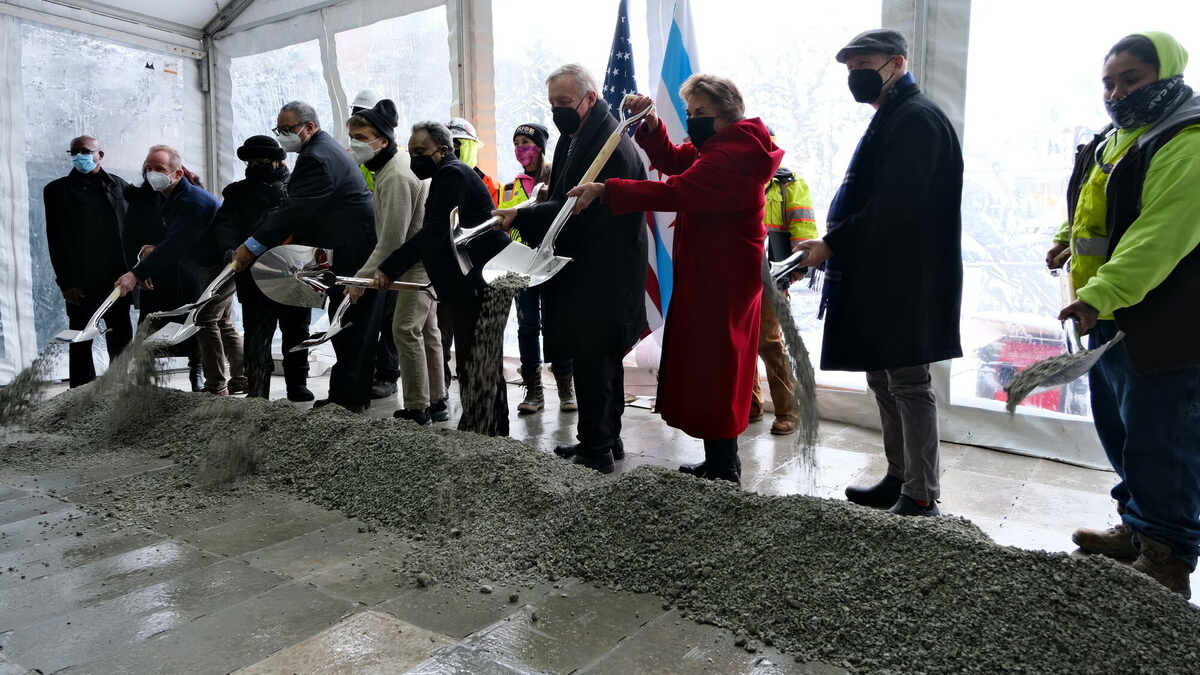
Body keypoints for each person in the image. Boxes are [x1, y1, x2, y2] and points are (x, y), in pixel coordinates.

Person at [567, 74, 779, 483]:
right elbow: (676, 160)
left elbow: (675, 191)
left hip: (724, 283)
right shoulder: (722, 146)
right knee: (710, 367)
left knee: (718, 370)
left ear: (726, 115)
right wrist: (651, 125)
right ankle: (718, 459)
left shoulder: (731, 157)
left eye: (700, 112)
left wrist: (607, 190)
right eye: (688, 111)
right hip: (712, 275)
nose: (691, 120)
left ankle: (725, 468)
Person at [1052, 32, 1200, 599]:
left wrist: (1100, 294)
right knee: (1121, 428)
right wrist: (1065, 239)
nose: (1116, 93)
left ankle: (1167, 555)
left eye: (1131, 80)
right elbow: (1093, 209)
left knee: (1162, 438)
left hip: (1164, 321)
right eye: (1109, 84)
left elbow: (1159, 235)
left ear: (1169, 74)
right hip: (1111, 316)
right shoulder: (1114, 141)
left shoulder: (1186, 140)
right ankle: (1138, 527)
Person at [794, 29, 963, 516]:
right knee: (885, 379)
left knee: (908, 381)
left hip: (907, 278)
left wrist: (833, 243)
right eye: (850, 69)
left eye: (864, 64)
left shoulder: (916, 118)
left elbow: (896, 202)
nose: (855, 75)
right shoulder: (896, 115)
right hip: (884, 274)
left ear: (897, 63)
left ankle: (922, 493)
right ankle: (900, 476)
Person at [495, 64, 648, 474]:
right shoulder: (577, 134)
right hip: (587, 271)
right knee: (598, 361)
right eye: (552, 103)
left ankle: (596, 449)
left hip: (604, 274)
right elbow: (563, 195)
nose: (557, 110)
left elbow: (578, 214)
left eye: (564, 102)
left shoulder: (611, 146)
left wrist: (520, 217)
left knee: (596, 361)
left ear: (590, 98)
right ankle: (606, 438)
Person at [231, 101, 381, 413]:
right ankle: (344, 396)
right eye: (279, 129)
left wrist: (251, 246)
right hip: (347, 246)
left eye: (288, 129)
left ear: (309, 127)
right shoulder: (321, 150)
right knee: (345, 325)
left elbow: (293, 210)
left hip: (351, 250)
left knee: (350, 326)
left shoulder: (316, 158)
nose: (282, 135)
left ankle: (349, 401)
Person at [372, 121, 511, 435]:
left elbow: (435, 232)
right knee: (478, 359)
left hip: (483, 280)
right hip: (479, 279)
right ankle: (486, 430)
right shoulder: (449, 174)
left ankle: (483, 433)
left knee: (477, 360)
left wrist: (388, 268)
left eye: (421, 151)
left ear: (444, 150)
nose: (415, 158)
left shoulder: (451, 174)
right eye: (411, 152)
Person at [345, 101, 445, 425]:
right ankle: (437, 400)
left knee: (405, 329)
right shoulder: (396, 164)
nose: (354, 143)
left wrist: (359, 280)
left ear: (383, 140)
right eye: (352, 137)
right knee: (427, 330)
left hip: (416, 265)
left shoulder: (394, 176)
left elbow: (392, 240)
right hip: (423, 260)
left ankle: (417, 408)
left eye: (362, 137)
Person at [213, 135, 313, 402]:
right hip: (253, 274)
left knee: (296, 331)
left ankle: (297, 383)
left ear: (278, 161)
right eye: (250, 162)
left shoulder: (297, 189)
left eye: (261, 161)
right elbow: (225, 224)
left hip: (295, 271)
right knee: (257, 335)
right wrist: (229, 248)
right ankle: (257, 390)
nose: (254, 166)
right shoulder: (237, 193)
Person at [115, 146, 222, 391]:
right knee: (158, 322)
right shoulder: (159, 195)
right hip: (166, 267)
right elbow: (159, 236)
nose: (152, 174)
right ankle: (146, 374)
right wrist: (142, 261)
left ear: (178, 173)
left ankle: (213, 381)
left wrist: (136, 273)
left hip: (208, 268)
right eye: (149, 168)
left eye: (159, 169)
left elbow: (177, 242)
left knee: (204, 321)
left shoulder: (193, 199)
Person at [43, 135, 133, 388]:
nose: (79, 156)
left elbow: (130, 231)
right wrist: (67, 282)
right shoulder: (58, 190)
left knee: (121, 335)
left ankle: (120, 388)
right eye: (73, 152)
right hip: (81, 280)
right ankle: (80, 393)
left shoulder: (119, 186)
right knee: (81, 337)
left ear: (100, 155)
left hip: (116, 278)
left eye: (85, 151)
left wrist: (133, 274)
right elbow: (57, 239)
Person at [499, 122, 575, 415]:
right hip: (522, 263)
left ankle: (566, 384)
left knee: (558, 322)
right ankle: (533, 388)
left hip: (552, 262)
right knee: (528, 324)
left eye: (526, 142)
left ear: (540, 147)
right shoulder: (510, 188)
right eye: (516, 143)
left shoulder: (558, 178)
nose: (521, 149)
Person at [752, 130, 817, 436]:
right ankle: (751, 404)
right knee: (741, 342)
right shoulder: (736, 176)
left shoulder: (789, 182)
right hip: (737, 271)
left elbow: (804, 226)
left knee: (768, 341)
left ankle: (789, 410)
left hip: (773, 274)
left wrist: (798, 265)